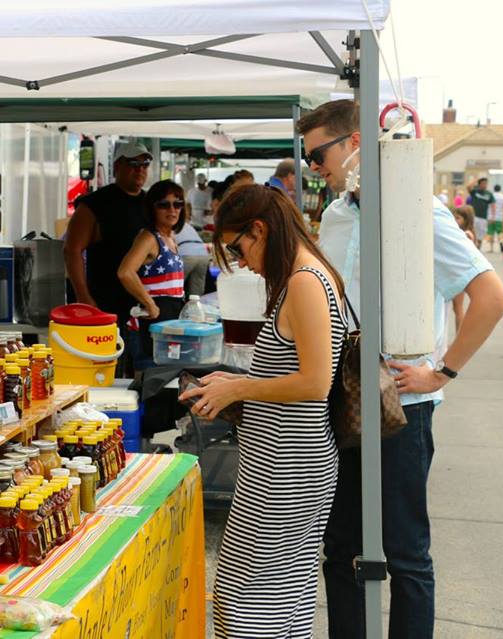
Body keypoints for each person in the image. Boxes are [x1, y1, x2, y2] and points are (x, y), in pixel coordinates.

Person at [298, 99, 503, 639]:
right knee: (341, 543)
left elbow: (491, 296)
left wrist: (444, 371)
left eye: (318, 155)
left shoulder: (418, 212)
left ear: (354, 145)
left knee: (405, 552)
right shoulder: (339, 212)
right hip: (344, 395)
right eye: (307, 160)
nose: (314, 168)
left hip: (402, 406)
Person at [179, 184, 347, 638]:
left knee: (249, 600)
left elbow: (315, 383)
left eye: (239, 247)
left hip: (289, 467)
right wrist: (233, 386)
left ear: (261, 229)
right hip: (285, 462)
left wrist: (238, 389)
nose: (241, 262)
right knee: (277, 596)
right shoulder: (304, 277)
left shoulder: (304, 281)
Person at [64, 141, 151, 327]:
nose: (140, 170)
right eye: (133, 164)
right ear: (118, 166)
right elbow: (72, 250)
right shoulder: (94, 204)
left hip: (144, 303)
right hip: (106, 302)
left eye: (144, 165)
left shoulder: (150, 203)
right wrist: (83, 297)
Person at [117, 180, 188, 370]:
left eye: (178, 204)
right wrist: (150, 304)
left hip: (167, 327)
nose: (172, 210)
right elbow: (125, 272)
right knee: (150, 385)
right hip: (150, 329)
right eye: (164, 204)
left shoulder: (170, 239)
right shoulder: (148, 237)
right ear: (152, 208)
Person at [468, 177, 494, 246]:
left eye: (486, 184)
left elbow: (493, 205)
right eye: (483, 183)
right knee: (473, 232)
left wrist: (492, 217)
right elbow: (468, 187)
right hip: (474, 216)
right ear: (479, 184)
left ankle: (478, 248)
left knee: (481, 235)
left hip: (483, 217)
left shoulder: (489, 194)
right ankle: (473, 246)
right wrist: (475, 180)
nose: (485, 185)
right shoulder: (475, 192)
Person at [488, 184, 503, 252]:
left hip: (490, 217)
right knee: (500, 232)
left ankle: (491, 248)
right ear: (500, 189)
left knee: (491, 232)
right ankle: (501, 244)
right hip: (500, 217)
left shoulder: (490, 196)